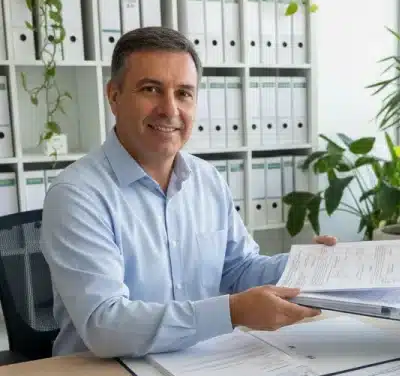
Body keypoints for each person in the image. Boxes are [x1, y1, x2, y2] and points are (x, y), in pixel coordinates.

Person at [41, 26, 333, 358]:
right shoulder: (77, 195)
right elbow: (104, 324)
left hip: (201, 364)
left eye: (184, 93)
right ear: (114, 96)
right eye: (151, 89)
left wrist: (309, 266)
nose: (169, 109)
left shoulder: (206, 179)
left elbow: (238, 269)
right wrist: (232, 312)